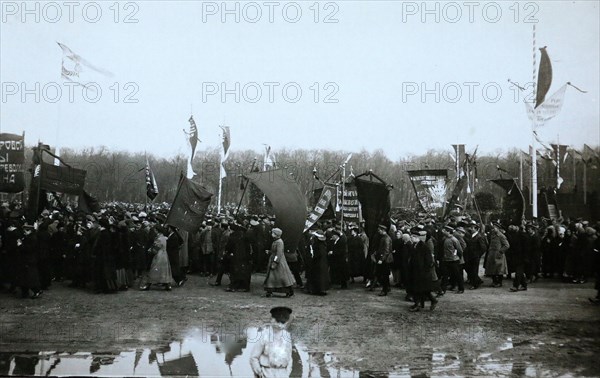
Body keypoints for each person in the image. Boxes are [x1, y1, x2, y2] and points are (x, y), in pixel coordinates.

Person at [250, 306, 293, 378]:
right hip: (267, 373)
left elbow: (289, 357)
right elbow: (254, 357)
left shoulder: (287, 336)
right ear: (272, 320)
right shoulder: (264, 336)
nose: (280, 325)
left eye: (283, 323)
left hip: (283, 373)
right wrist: (259, 372)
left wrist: (288, 372)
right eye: (278, 321)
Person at [407, 228, 437, 312]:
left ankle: (419, 304)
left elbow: (429, 261)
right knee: (419, 289)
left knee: (421, 289)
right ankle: (419, 303)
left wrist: (424, 270)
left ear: (416, 237)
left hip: (422, 273)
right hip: (415, 271)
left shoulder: (424, 247)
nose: (411, 238)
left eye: (412, 237)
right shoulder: (414, 246)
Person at [264, 228, 295, 297]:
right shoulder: (276, 241)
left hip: (278, 262)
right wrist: (269, 252)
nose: (272, 234)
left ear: (276, 234)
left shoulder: (279, 242)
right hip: (276, 260)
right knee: (278, 277)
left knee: (281, 277)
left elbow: (279, 253)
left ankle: (287, 290)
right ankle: (270, 291)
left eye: (273, 233)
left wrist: (275, 262)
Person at [140, 227, 173, 291]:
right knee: (164, 270)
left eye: (155, 230)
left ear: (158, 231)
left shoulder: (159, 239)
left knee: (154, 269)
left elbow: (155, 249)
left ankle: (148, 284)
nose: (154, 231)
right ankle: (167, 285)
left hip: (159, 255)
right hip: (164, 255)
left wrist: (150, 250)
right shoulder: (164, 238)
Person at [485, 221, 510, 287]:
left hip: (499, 255)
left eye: (495, 228)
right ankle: (494, 281)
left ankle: (499, 282)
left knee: (499, 270)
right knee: (491, 269)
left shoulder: (501, 236)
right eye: (493, 228)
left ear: (498, 228)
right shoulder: (491, 235)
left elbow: (507, 245)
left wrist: (501, 251)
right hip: (492, 254)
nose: (493, 229)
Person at [373, 224, 392, 296]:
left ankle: (384, 290)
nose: (378, 231)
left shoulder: (386, 238)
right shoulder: (384, 237)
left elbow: (386, 250)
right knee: (384, 275)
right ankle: (387, 288)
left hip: (385, 260)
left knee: (384, 275)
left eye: (379, 230)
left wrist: (381, 259)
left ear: (383, 230)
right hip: (385, 259)